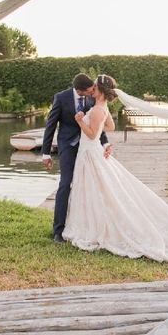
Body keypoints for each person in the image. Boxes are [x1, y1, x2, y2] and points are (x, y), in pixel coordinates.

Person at [63, 75, 168, 268]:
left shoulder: (98, 109)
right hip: (91, 152)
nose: (92, 90)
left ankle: (94, 228)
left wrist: (80, 121)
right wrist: (97, 132)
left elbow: (91, 134)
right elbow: (111, 126)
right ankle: (92, 223)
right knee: (97, 190)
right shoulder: (101, 109)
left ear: (99, 89)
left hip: (90, 152)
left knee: (95, 190)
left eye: (94, 87)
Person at [42, 73, 112, 243]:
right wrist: (45, 153)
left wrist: (105, 143)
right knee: (65, 183)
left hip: (88, 149)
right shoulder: (61, 98)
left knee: (90, 186)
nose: (90, 93)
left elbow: (97, 126)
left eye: (92, 90)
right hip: (68, 147)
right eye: (87, 91)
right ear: (78, 90)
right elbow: (51, 125)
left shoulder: (92, 99)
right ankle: (58, 230)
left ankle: (88, 225)